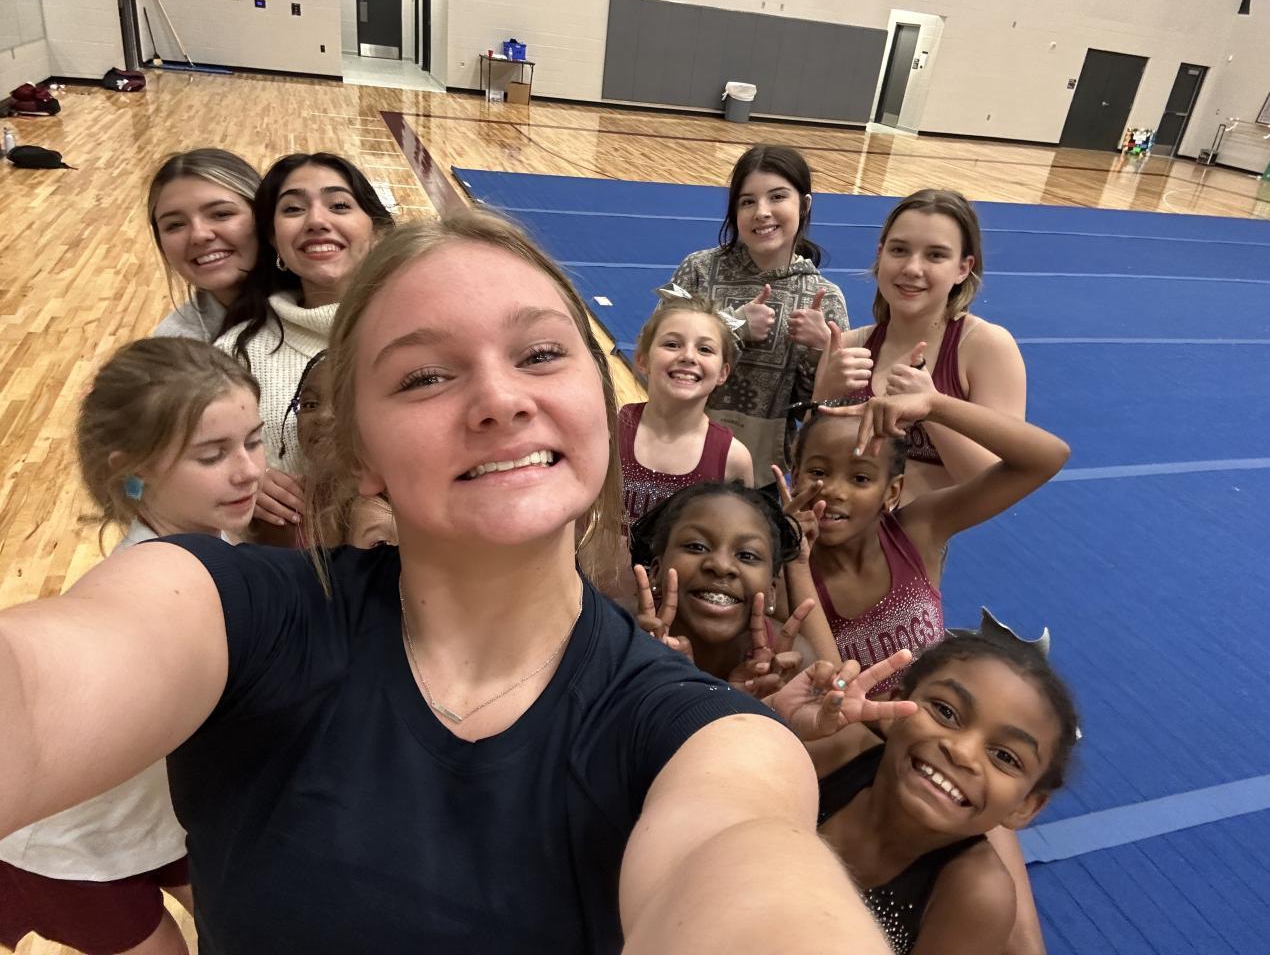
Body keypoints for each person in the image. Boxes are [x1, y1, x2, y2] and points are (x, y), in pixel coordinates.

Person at [0, 213, 891, 955]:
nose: (500, 399)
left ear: (597, 399)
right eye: (425, 376)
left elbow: (747, 872)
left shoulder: (712, 741)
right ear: (361, 453)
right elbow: (36, 696)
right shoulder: (225, 611)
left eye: (540, 354)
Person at [0, 337, 265, 955]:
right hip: (69, 853)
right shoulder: (150, 589)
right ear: (134, 471)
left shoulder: (218, 537)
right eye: (213, 454)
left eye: (253, 441)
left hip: (163, 819)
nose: (249, 470)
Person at [785, 632, 1080, 954]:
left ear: (1025, 806)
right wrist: (771, 714)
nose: (962, 752)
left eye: (1005, 757)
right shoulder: (832, 751)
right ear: (893, 710)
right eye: (946, 712)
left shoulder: (977, 896)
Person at [787, 389, 1068, 693]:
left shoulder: (919, 530)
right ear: (795, 476)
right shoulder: (785, 575)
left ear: (892, 492)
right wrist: (795, 561)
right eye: (818, 472)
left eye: (860, 478)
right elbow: (830, 690)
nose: (833, 491)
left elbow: (1048, 457)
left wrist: (935, 405)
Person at [218, 151, 394, 536]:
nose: (316, 221)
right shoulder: (235, 353)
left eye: (339, 205)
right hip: (279, 564)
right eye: (294, 209)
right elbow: (192, 468)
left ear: (377, 231)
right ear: (273, 240)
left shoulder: (421, 332)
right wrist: (239, 481)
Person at [815, 189, 1026, 505]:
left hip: (925, 535)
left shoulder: (985, 347)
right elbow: (808, 464)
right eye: (899, 250)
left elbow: (1002, 484)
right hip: (839, 529)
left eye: (935, 255)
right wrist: (825, 394)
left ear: (963, 268)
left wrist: (933, 409)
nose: (913, 268)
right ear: (881, 254)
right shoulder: (847, 347)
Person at [667, 144, 850, 485]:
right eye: (747, 201)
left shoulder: (825, 298)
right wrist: (732, 325)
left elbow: (826, 413)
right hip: (677, 452)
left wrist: (821, 351)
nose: (762, 212)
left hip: (760, 472)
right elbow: (652, 355)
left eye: (777, 197)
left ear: (804, 204)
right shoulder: (697, 269)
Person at [627, 481, 819, 695]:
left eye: (747, 555)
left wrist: (760, 708)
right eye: (697, 546)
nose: (721, 566)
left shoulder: (793, 666)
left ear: (771, 593)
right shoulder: (615, 632)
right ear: (656, 572)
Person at [620, 292, 753, 531]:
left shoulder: (733, 459)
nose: (689, 356)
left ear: (723, 373)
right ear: (642, 360)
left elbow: (736, 536)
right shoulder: (608, 431)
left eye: (705, 349)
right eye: (672, 344)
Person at [147, 149, 261, 342]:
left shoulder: (317, 300)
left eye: (221, 214)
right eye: (175, 225)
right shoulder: (175, 344)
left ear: (264, 214)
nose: (199, 235)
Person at [292, 350, 398, 549]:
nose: (323, 416)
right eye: (310, 404)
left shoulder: (380, 515)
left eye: (343, 403)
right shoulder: (288, 505)